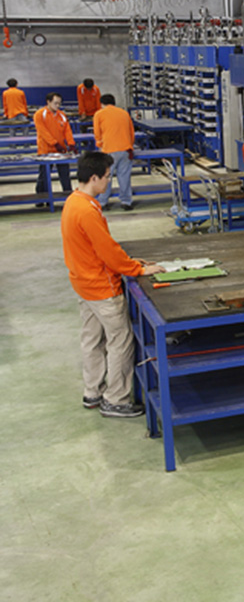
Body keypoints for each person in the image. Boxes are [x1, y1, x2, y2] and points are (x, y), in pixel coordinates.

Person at [61, 151, 165, 418]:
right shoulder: (87, 211)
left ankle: (92, 392)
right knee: (121, 340)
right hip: (101, 288)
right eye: (107, 176)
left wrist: (129, 260)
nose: (110, 181)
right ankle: (116, 399)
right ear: (94, 178)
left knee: (92, 339)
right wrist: (138, 269)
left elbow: (96, 247)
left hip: (83, 284)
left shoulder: (73, 201)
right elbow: (107, 251)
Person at [92, 94, 136, 211]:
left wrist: (100, 146)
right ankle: (126, 201)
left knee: (105, 177)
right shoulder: (124, 113)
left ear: (102, 104)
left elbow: (97, 133)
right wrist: (130, 146)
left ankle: (102, 202)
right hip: (125, 150)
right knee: (124, 177)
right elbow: (131, 132)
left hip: (108, 150)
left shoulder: (99, 114)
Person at [34, 92, 75, 199]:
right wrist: (54, 143)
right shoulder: (40, 114)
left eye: (59, 103)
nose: (58, 106)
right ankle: (41, 198)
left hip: (61, 150)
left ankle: (68, 197)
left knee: (65, 175)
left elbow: (67, 131)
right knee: (44, 176)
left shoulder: (62, 115)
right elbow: (43, 132)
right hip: (45, 150)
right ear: (48, 102)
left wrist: (71, 144)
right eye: (55, 103)